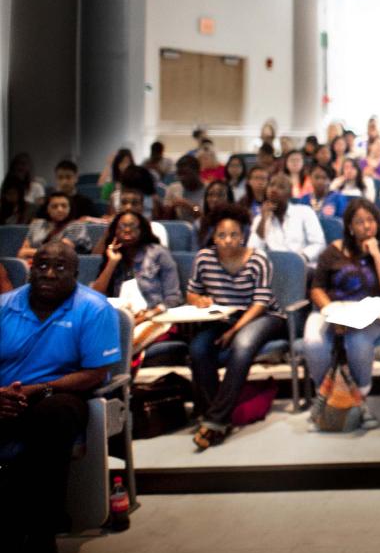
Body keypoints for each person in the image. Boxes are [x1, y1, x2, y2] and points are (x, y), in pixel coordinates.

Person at [0, 241, 120, 553]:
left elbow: (96, 372)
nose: (49, 274)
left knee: (54, 418)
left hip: (58, 397)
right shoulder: (5, 307)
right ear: (30, 267)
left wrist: (39, 389)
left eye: (60, 268)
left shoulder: (93, 308)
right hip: (5, 396)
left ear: (76, 273)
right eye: (42, 266)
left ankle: (40, 543)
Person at [186, 205, 285, 449]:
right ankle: (218, 418)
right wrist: (199, 300)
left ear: (243, 236)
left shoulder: (258, 259)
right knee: (198, 349)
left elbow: (261, 303)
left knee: (243, 345)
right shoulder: (204, 258)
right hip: (223, 317)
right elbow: (192, 292)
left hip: (264, 316)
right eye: (221, 235)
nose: (228, 240)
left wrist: (234, 330)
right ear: (213, 236)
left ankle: (214, 420)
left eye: (233, 235)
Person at [304, 198, 380, 428]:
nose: (366, 226)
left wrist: (376, 254)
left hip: (370, 315)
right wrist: (331, 312)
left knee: (357, 340)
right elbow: (317, 288)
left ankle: (359, 400)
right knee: (313, 342)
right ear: (350, 226)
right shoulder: (332, 251)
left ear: (378, 224)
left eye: (370, 220)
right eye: (359, 222)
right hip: (331, 310)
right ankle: (332, 399)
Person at [91, 211, 181, 354]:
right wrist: (112, 262)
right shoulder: (113, 257)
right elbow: (95, 296)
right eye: (122, 226)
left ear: (142, 230)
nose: (127, 230)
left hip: (156, 318)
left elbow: (173, 298)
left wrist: (146, 316)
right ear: (115, 231)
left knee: (121, 345)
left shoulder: (158, 253)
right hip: (120, 319)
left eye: (132, 226)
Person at [248, 174, 326, 264]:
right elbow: (252, 250)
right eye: (271, 185)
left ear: (290, 194)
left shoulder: (305, 212)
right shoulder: (260, 218)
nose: (274, 190)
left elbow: (319, 244)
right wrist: (263, 220)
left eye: (281, 187)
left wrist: (299, 259)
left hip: (303, 265)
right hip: (274, 268)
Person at [17, 192, 92, 262]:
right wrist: (26, 252)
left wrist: (28, 252)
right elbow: (24, 248)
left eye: (64, 206)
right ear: (47, 209)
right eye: (54, 206)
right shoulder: (37, 224)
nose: (60, 209)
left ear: (70, 208)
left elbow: (58, 251)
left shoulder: (77, 226)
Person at [164, 155, 206, 222]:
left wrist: (190, 206)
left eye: (185, 174)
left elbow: (207, 219)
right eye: (179, 174)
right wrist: (170, 208)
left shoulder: (209, 190)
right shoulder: (173, 188)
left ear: (197, 171)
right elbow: (165, 218)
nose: (181, 178)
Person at [196, 180, 235, 248]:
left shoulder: (239, 224)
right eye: (210, 195)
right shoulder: (198, 224)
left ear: (229, 199)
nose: (214, 199)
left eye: (220, 195)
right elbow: (194, 252)